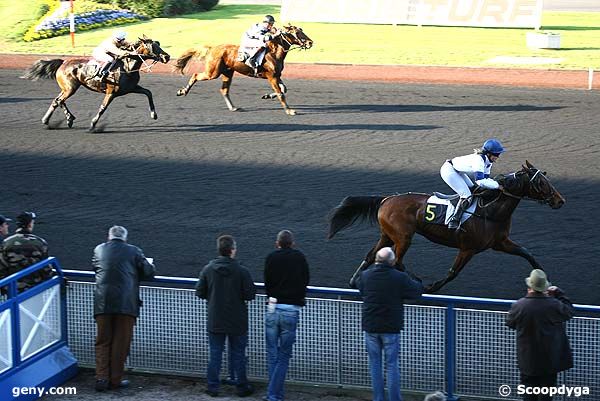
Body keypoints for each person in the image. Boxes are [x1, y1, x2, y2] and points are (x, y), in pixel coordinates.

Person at [350, 247, 424, 401]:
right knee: (391, 365)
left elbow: (354, 283)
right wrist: (406, 271)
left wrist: (364, 265)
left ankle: (378, 398)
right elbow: (417, 290)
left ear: (376, 261)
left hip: (370, 327)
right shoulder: (399, 277)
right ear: (392, 262)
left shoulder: (365, 276)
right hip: (391, 328)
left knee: (375, 365)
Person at [92, 225, 155, 392]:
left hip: (102, 303)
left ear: (109, 237)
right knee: (121, 343)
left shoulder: (99, 249)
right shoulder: (134, 251)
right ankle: (115, 380)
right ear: (125, 238)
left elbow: (96, 267)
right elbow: (148, 272)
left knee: (103, 341)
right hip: (126, 304)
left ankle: (101, 378)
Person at [196, 235, 256, 397]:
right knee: (238, 353)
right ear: (232, 250)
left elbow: (199, 292)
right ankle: (241, 386)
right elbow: (250, 294)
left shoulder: (208, 269)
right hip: (237, 320)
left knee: (215, 353)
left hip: (215, 318)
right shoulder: (242, 271)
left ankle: (213, 387)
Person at [506, 269, 573, 401]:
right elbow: (569, 311)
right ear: (545, 288)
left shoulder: (519, 305)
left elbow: (510, 323)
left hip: (528, 360)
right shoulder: (554, 304)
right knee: (546, 393)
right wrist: (559, 294)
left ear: (529, 287)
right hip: (550, 359)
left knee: (528, 392)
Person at [263, 230, 310, 401]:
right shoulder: (299, 257)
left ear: (277, 243)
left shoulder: (271, 257)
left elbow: (267, 281)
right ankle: (273, 394)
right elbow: (306, 279)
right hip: (291, 310)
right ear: (293, 243)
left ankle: (275, 393)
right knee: (283, 355)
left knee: (273, 353)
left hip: (272, 308)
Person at [439, 138, 505, 230]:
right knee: (466, 195)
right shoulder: (479, 160)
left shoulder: (488, 162)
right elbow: (480, 181)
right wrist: (497, 185)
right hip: (449, 170)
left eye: (499, 154)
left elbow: (486, 179)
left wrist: (496, 184)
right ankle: (454, 220)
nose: (498, 157)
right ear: (488, 153)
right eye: (496, 154)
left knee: (473, 189)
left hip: (458, 171)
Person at [0, 211, 50, 290]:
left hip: (13, 288)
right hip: (36, 288)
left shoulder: (6, 243)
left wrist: (4, 287)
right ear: (30, 224)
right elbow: (46, 268)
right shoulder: (40, 242)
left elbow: (2, 267)